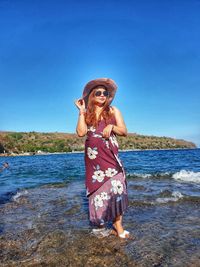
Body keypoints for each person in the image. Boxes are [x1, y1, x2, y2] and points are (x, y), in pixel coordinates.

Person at [74, 78, 131, 239]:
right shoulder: (87, 113)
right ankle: (99, 225)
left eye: (105, 93)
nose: (102, 95)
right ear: (91, 95)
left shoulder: (113, 111)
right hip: (93, 160)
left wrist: (112, 126)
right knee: (98, 192)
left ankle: (118, 225)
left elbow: (124, 131)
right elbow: (80, 132)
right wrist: (81, 111)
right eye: (98, 92)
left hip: (110, 157)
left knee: (117, 186)